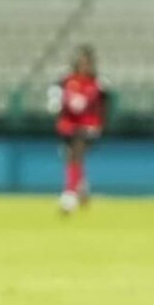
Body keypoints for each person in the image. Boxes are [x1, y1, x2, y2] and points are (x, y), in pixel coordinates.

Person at [47, 44, 107, 214]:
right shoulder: (66, 80)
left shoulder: (97, 83)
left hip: (88, 126)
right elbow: (56, 95)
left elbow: (101, 106)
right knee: (71, 158)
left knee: (76, 151)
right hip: (68, 126)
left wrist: (100, 125)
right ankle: (81, 187)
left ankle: (69, 194)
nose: (84, 65)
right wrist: (56, 101)